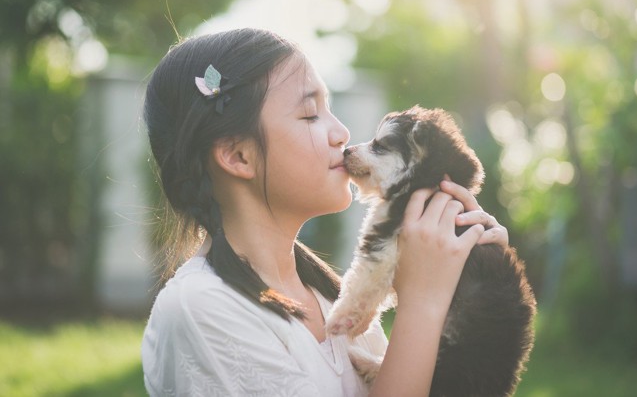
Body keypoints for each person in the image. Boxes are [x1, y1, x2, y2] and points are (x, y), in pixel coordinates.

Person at [141, 28, 509, 397]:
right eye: (310, 114)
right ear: (238, 156)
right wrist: (423, 303)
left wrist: (476, 290)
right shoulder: (202, 310)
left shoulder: (330, 297)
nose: (343, 133)